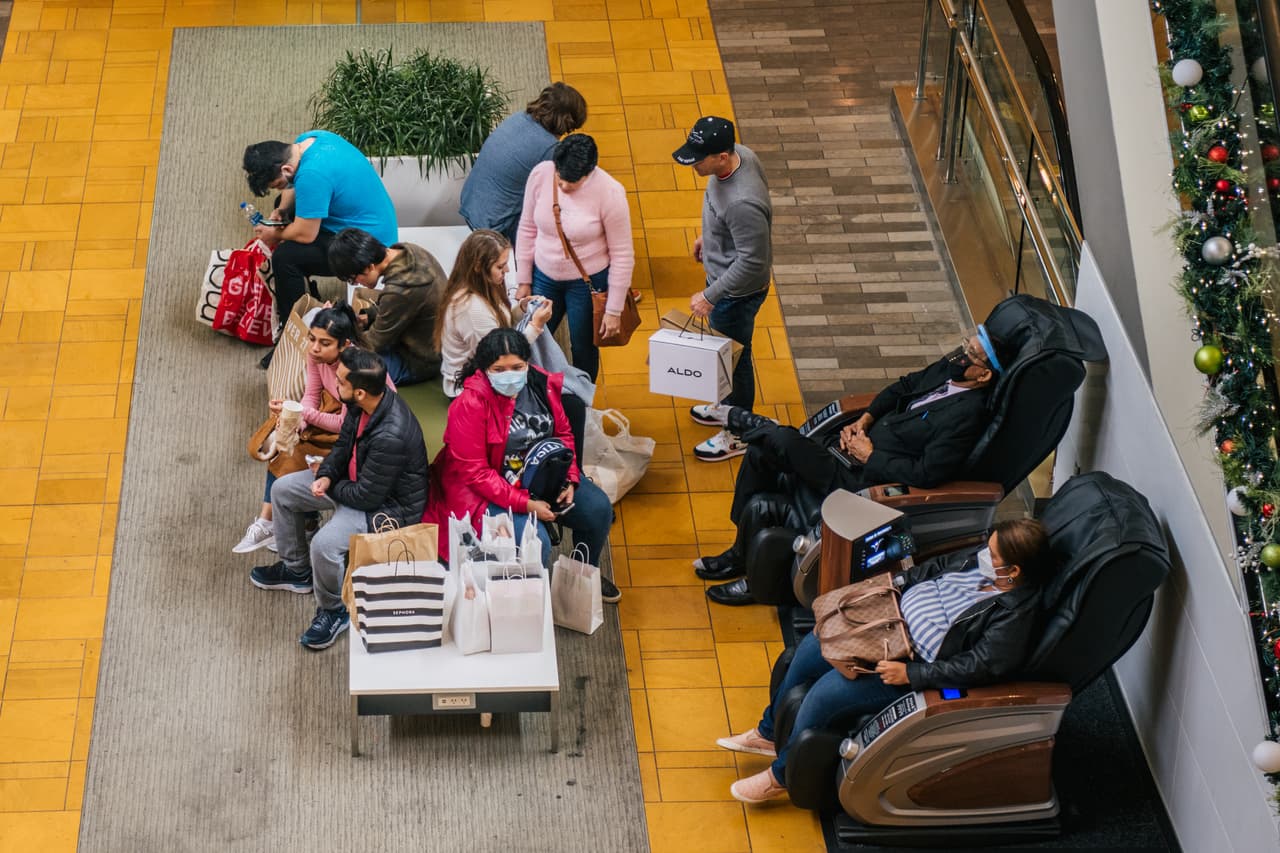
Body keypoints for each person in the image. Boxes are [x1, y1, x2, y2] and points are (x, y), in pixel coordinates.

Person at [719, 518, 1053, 803]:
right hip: (889, 620)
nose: (983, 554)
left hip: (909, 661)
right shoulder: (983, 562)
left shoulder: (1015, 614)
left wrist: (913, 674)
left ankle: (779, 777)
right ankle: (768, 733)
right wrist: (897, 583)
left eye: (992, 554)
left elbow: (980, 665)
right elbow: (937, 567)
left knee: (824, 696)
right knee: (813, 646)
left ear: (1013, 570)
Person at [696, 328, 1008, 606]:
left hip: (863, 479)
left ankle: (754, 425)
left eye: (970, 355)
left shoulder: (968, 416)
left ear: (983, 376)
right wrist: (863, 421)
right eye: (965, 346)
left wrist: (870, 455)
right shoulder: (947, 371)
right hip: (850, 449)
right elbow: (902, 387)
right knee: (759, 452)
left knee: (780, 440)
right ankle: (740, 553)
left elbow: (926, 472)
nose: (960, 356)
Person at [423, 328, 620, 603]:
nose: (510, 375)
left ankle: (582, 574)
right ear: (485, 369)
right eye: (499, 369)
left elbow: (564, 434)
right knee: (534, 541)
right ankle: (525, 602)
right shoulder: (469, 405)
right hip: (488, 490)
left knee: (598, 509)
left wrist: (570, 478)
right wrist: (525, 504)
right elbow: (476, 474)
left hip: (541, 475)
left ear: (528, 363)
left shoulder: (541, 385)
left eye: (517, 367)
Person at [250, 348, 428, 650]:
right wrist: (327, 474)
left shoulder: (391, 435)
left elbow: (367, 497)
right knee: (282, 490)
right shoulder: (360, 404)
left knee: (324, 545)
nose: (335, 383)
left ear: (359, 391)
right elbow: (343, 446)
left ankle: (334, 611)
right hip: (353, 481)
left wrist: (329, 486)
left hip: (384, 507)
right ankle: (296, 570)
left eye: (341, 381)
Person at [232, 302, 395, 554]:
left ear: (344, 345)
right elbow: (311, 394)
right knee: (290, 440)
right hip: (339, 418)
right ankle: (278, 521)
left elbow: (344, 424)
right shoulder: (316, 356)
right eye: (312, 339)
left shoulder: (354, 370)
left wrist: (302, 413)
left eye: (325, 343)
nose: (315, 347)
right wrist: (298, 421)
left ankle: (277, 523)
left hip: (363, 435)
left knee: (295, 454)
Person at [242, 131, 398, 361]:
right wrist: (281, 211)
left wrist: (274, 234)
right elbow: (292, 188)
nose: (279, 188)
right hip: (372, 223)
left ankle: (293, 336)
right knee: (286, 207)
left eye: (277, 184)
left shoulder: (312, 175)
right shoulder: (308, 142)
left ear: (286, 169)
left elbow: (306, 234)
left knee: (285, 258)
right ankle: (299, 293)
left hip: (368, 246)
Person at [673, 116, 773, 462]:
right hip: (723, 279)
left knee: (734, 360)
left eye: (698, 159)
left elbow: (753, 262)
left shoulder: (743, 203)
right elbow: (735, 229)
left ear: (722, 157)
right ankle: (727, 406)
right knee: (725, 355)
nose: (693, 165)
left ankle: (739, 431)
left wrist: (710, 295)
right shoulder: (740, 154)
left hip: (735, 295)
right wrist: (711, 237)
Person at [514, 133, 634, 383]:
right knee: (533, 338)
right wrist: (524, 279)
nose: (563, 186)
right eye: (559, 176)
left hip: (587, 283)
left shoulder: (610, 192)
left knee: (583, 346)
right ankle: (535, 392)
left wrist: (613, 309)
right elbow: (527, 227)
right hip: (543, 275)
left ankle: (582, 397)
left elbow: (622, 255)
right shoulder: (541, 174)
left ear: (589, 172)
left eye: (572, 181)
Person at [460, 81, 588, 246]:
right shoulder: (549, 148)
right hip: (492, 225)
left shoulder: (518, 117)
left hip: (469, 203)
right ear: (567, 123)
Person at [326, 227, 446, 386]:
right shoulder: (408, 251)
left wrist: (338, 343)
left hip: (419, 359)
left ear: (369, 267)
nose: (356, 284)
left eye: (353, 279)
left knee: (343, 366)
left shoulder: (402, 289)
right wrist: (367, 316)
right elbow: (398, 306)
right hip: (426, 340)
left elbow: (374, 343)